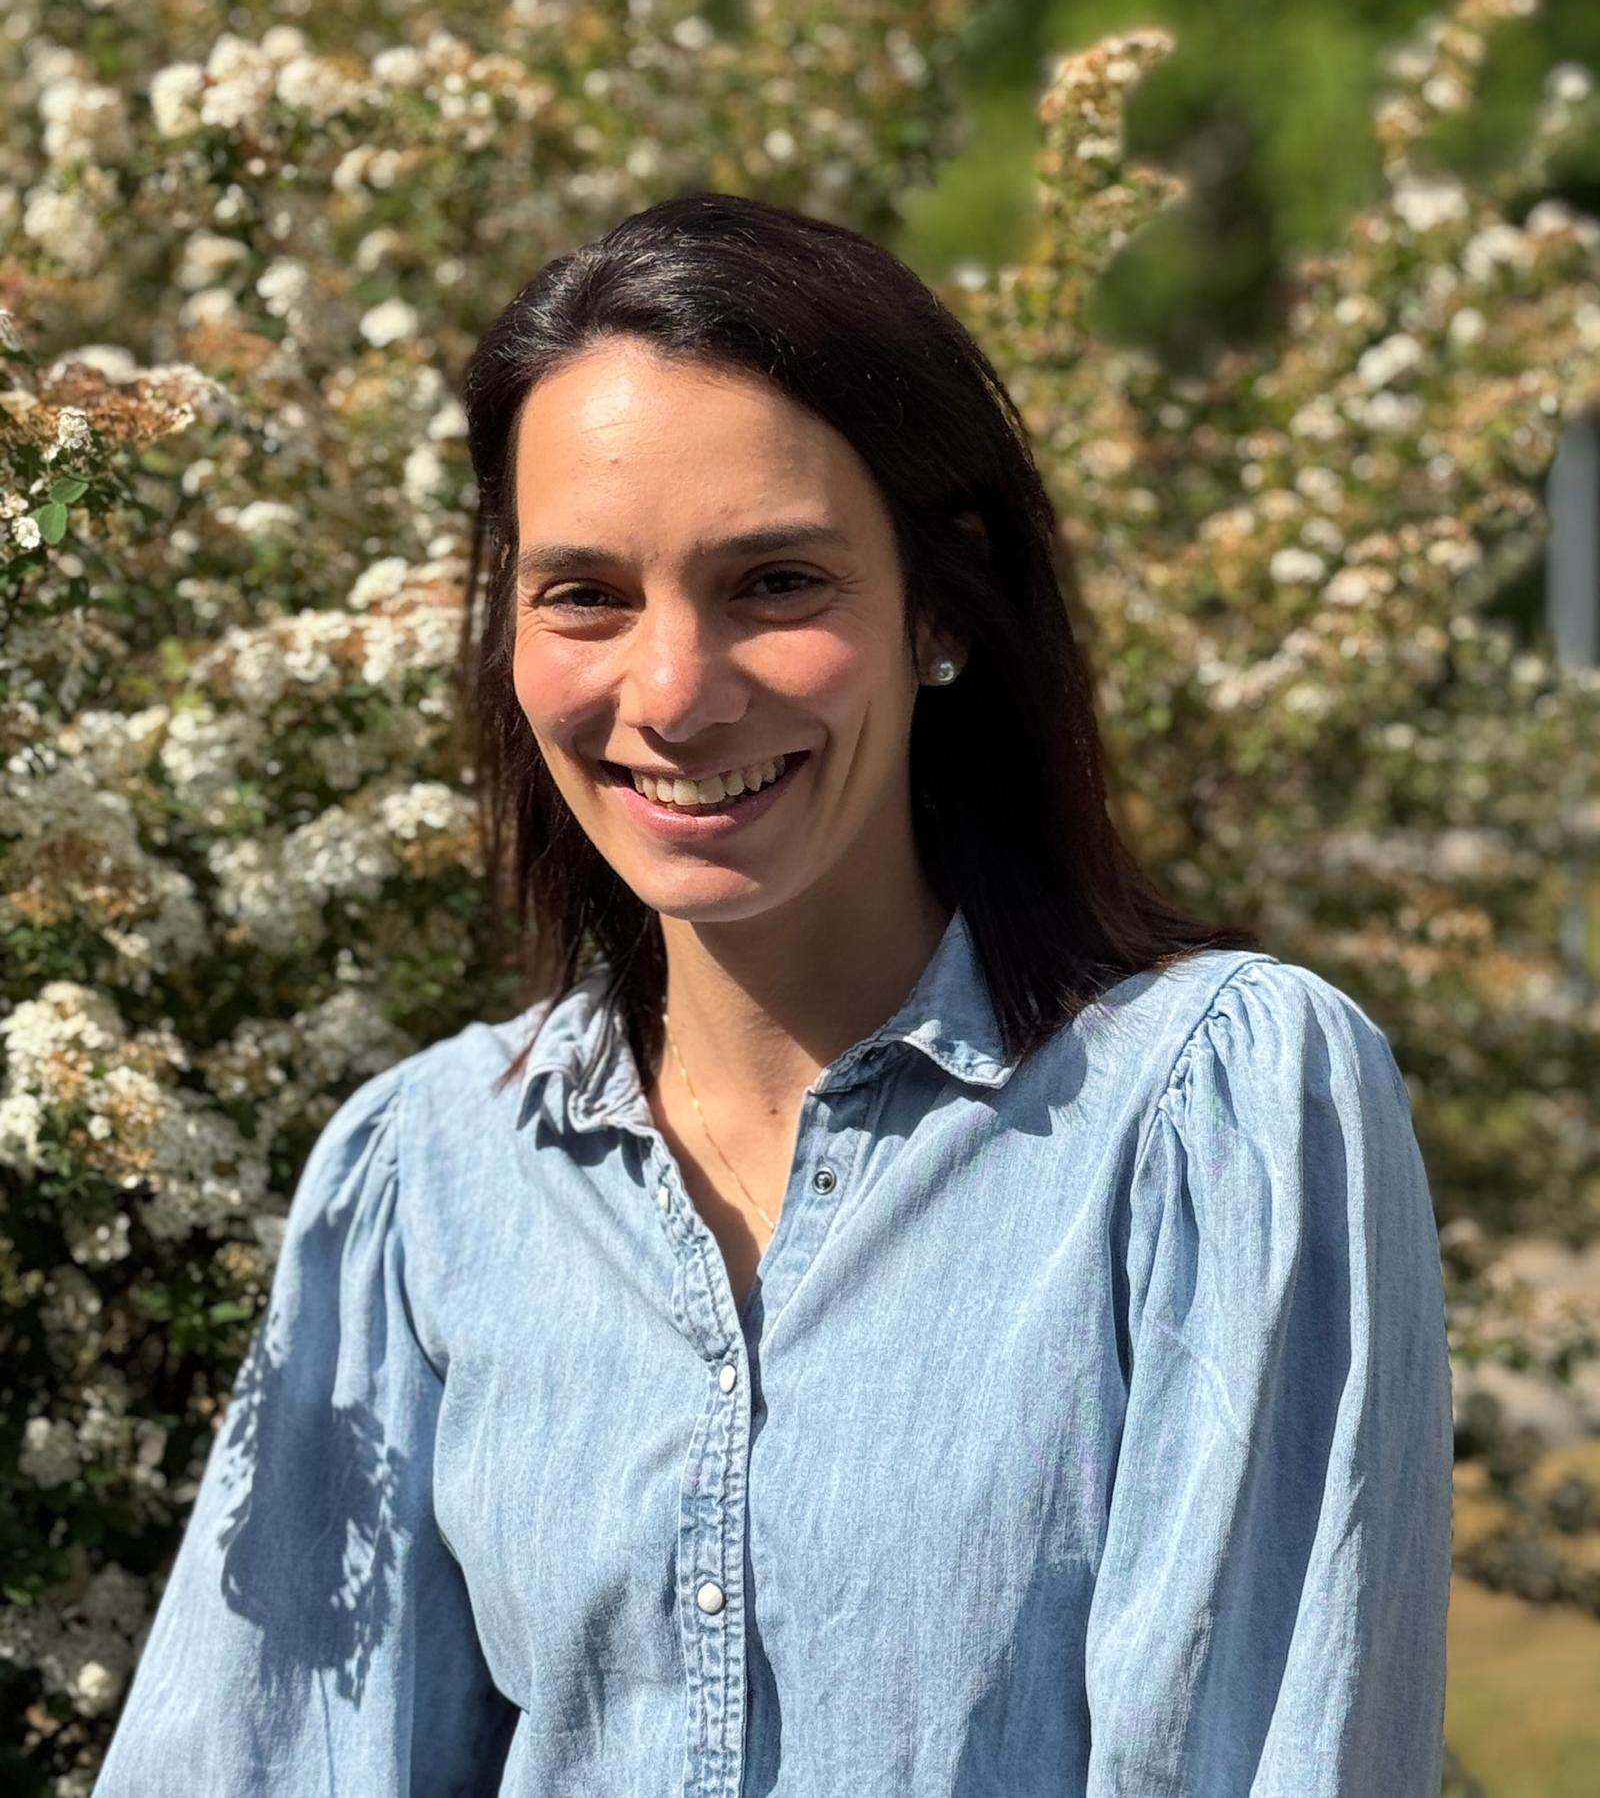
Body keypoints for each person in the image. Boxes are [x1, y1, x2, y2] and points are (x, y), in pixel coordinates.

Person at [94, 191, 1454, 1796]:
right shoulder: (420, 1181)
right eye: (586, 593)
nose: (673, 695)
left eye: (777, 581)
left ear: (940, 602)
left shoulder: (1211, 1116)